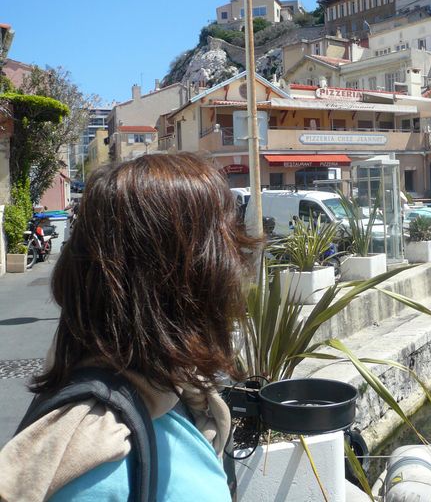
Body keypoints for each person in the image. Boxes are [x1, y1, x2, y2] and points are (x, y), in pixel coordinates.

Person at [0, 153, 257, 501]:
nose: (238, 264)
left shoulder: (172, 393)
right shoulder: (100, 470)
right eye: (225, 244)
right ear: (188, 278)